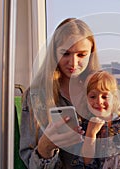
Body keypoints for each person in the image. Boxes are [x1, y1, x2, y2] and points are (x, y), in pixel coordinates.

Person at [20, 18, 100, 169]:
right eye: (66, 54)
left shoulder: (101, 90)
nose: (73, 63)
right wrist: (45, 148)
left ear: (91, 54)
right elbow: (30, 163)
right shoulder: (36, 96)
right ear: (54, 53)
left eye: (81, 55)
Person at [80, 71, 120, 169]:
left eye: (104, 96)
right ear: (86, 100)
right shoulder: (84, 126)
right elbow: (87, 162)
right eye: (93, 96)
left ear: (114, 98)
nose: (99, 101)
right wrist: (91, 134)